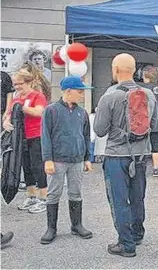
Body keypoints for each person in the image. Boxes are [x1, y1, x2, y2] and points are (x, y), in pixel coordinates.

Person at [93, 53, 158, 257]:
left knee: (119, 199)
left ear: (115, 70)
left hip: (116, 156)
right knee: (137, 197)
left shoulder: (110, 96)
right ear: (133, 70)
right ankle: (137, 234)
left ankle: (126, 243)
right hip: (140, 156)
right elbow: (153, 125)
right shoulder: (149, 95)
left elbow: (100, 130)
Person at [40, 76, 93, 244]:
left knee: (76, 192)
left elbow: (85, 136)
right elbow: (45, 136)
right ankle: (51, 228)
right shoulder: (51, 110)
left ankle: (76, 225)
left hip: (77, 159)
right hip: (58, 160)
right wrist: (48, 159)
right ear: (68, 91)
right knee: (54, 193)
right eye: (80, 91)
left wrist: (87, 158)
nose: (82, 94)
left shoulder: (82, 112)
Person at [2, 71, 49, 213]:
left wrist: (22, 108)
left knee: (38, 167)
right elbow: (8, 115)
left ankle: (44, 198)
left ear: (28, 82)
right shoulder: (16, 99)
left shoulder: (37, 96)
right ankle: (32, 196)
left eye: (19, 84)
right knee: (26, 167)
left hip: (36, 136)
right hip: (21, 138)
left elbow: (39, 112)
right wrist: (6, 122)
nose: (16, 87)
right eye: (15, 84)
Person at [140, 66, 158, 177]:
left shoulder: (140, 88)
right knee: (156, 144)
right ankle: (156, 168)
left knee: (141, 142)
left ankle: (139, 165)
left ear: (144, 75)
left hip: (143, 118)